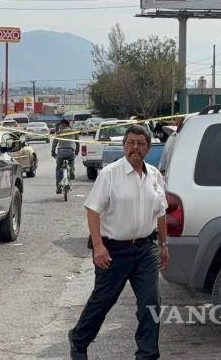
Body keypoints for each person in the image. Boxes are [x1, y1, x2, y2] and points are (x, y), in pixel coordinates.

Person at [68, 124, 169, 360]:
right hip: (113, 250)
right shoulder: (110, 174)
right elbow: (93, 210)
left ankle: (147, 354)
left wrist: (164, 245)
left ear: (148, 147)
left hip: (146, 249)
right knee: (103, 301)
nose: (135, 147)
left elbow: (161, 212)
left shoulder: (154, 175)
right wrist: (99, 247)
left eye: (140, 143)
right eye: (131, 143)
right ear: (124, 146)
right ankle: (79, 339)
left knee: (150, 304)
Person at [51, 119, 79, 194]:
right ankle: (72, 170)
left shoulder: (59, 132)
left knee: (58, 169)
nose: (59, 126)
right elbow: (77, 143)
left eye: (60, 124)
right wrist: (76, 151)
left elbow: (54, 144)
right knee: (71, 161)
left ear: (64, 124)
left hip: (61, 152)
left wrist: (53, 152)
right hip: (70, 151)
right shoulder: (74, 131)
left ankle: (58, 188)